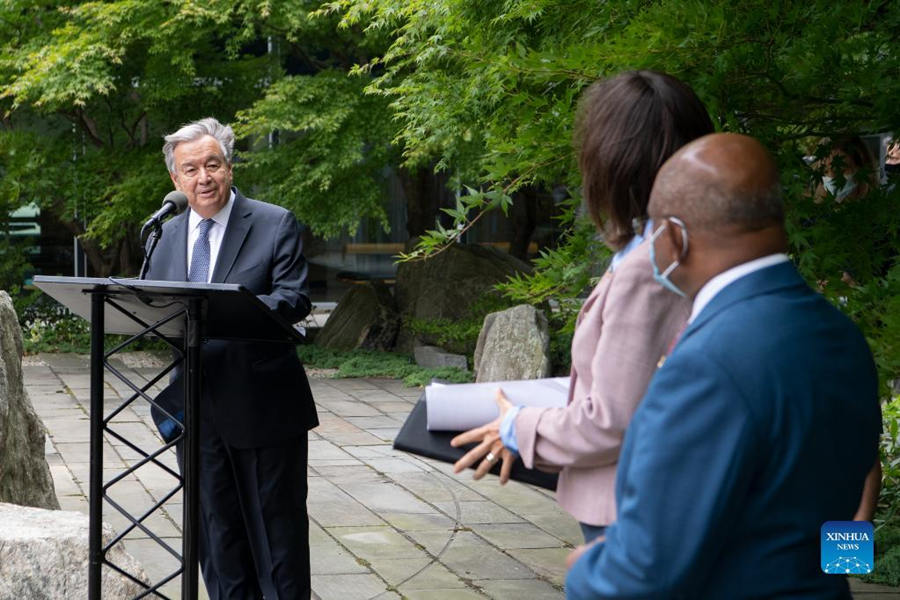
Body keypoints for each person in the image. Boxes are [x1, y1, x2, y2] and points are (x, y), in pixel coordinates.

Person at [565, 133, 882, 599]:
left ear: (674, 236)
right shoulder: (842, 335)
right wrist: (843, 565)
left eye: (652, 231)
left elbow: (647, 572)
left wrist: (586, 570)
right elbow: (856, 479)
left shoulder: (708, 362)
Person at [449, 70, 714, 543]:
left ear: (611, 159)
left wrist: (517, 426)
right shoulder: (679, 248)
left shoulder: (652, 264)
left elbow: (612, 419)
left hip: (634, 510)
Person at [146, 117, 318, 599]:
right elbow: (153, 308)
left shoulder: (274, 222)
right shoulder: (165, 235)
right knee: (216, 535)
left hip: (263, 406)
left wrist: (227, 310)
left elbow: (293, 298)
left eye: (212, 165)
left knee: (276, 537)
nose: (203, 178)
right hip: (195, 410)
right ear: (175, 178)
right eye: (190, 169)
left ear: (229, 167)